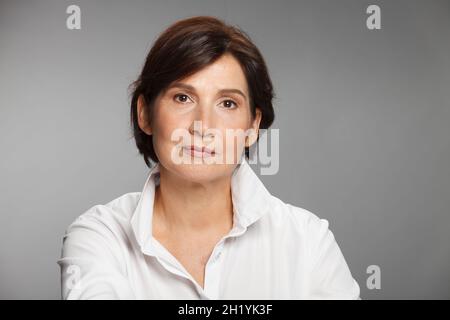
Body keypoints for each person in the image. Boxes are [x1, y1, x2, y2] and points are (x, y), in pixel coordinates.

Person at [57, 15, 360, 299]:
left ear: (253, 125)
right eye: (183, 98)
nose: (203, 126)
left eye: (227, 103)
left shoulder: (308, 241)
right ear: (145, 113)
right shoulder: (99, 236)